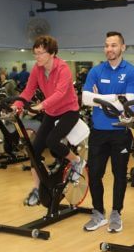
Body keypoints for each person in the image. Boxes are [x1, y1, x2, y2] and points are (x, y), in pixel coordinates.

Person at [12, 35, 86, 206]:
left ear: (52, 53)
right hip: (52, 112)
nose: (37, 57)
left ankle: (76, 161)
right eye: (35, 53)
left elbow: (60, 93)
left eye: (40, 53)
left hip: (68, 111)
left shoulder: (63, 68)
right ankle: (38, 189)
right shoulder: (37, 70)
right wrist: (16, 105)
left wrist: (41, 105)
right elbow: (28, 91)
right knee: (34, 149)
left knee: (52, 141)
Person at [81, 31, 134, 232]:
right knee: (95, 173)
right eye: (106, 45)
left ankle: (116, 212)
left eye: (114, 45)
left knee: (119, 174)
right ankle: (98, 213)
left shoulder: (132, 72)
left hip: (120, 132)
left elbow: (127, 105)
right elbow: (85, 99)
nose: (109, 49)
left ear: (123, 47)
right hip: (98, 131)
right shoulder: (95, 71)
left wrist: (100, 99)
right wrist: (115, 97)